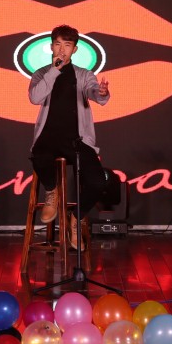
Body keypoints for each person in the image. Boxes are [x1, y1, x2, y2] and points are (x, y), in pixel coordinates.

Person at [28, 24, 110, 250]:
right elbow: (35, 98)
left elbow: (94, 92)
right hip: (48, 138)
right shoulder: (41, 74)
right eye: (58, 44)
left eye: (67, 45)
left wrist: (101, 93)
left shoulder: (84, 75)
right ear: (51, 47)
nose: (62, 50)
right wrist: (54, 70)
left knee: (98, 181)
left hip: (76, 141)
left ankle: (76, 218)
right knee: (38, 154)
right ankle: (51, 191)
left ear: (75, 49)